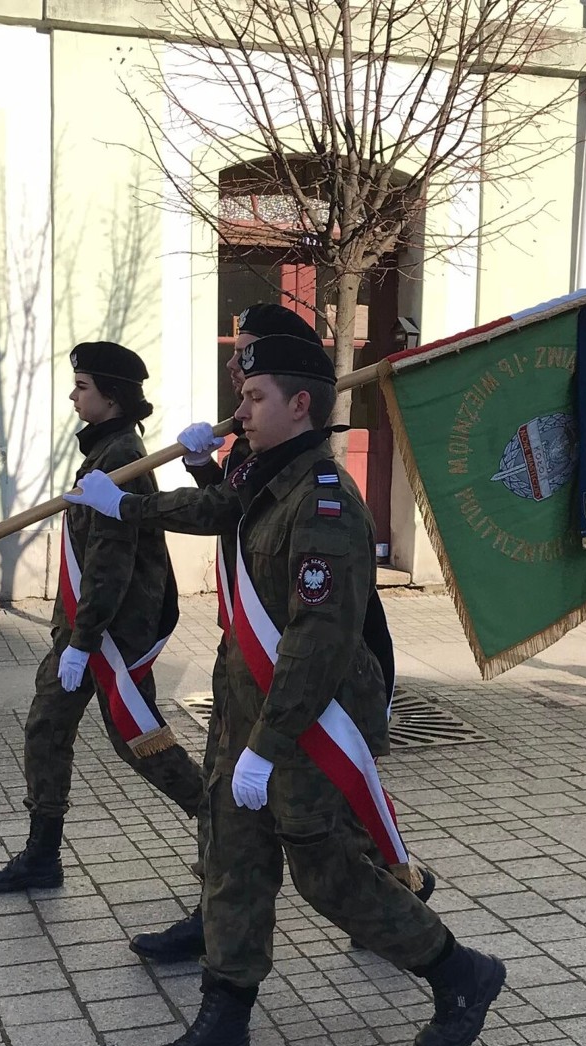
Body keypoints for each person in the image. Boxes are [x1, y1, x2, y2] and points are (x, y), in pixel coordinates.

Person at [65, 335, 506, 1046]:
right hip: (251, 706)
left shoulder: (324, 501)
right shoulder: (268, 477)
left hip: (309, 719)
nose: (240, 409)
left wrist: (267, 746)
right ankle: (222, 1029)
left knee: (326, 873)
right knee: (234, 865)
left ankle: (460, 973)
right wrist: (147, 495)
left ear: (301, 405)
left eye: (255, 396)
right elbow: (217, 507)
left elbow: (318, 643)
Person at [129, 304, 433, 963]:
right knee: (233, 821)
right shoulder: (261, 446)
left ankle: (401, 898)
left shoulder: (315, 479)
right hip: (254, 664)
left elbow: (316, 620)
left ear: (296, 394)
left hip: (317, 659)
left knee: (335, 830)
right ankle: (218, 921)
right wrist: (201, 468)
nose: (234, 368)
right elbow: (235, 511)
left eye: (247, 357)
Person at [0, 343, 204, 893]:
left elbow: (110, 562)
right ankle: (42, 854)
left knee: (138, 738)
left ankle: (225, 824)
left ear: (112, 394)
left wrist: (83, 641)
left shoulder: (122, 459)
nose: (73, 395)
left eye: (82, 386)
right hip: (88, 631)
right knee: (48, 728)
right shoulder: (106, 451)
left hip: (110, 636)